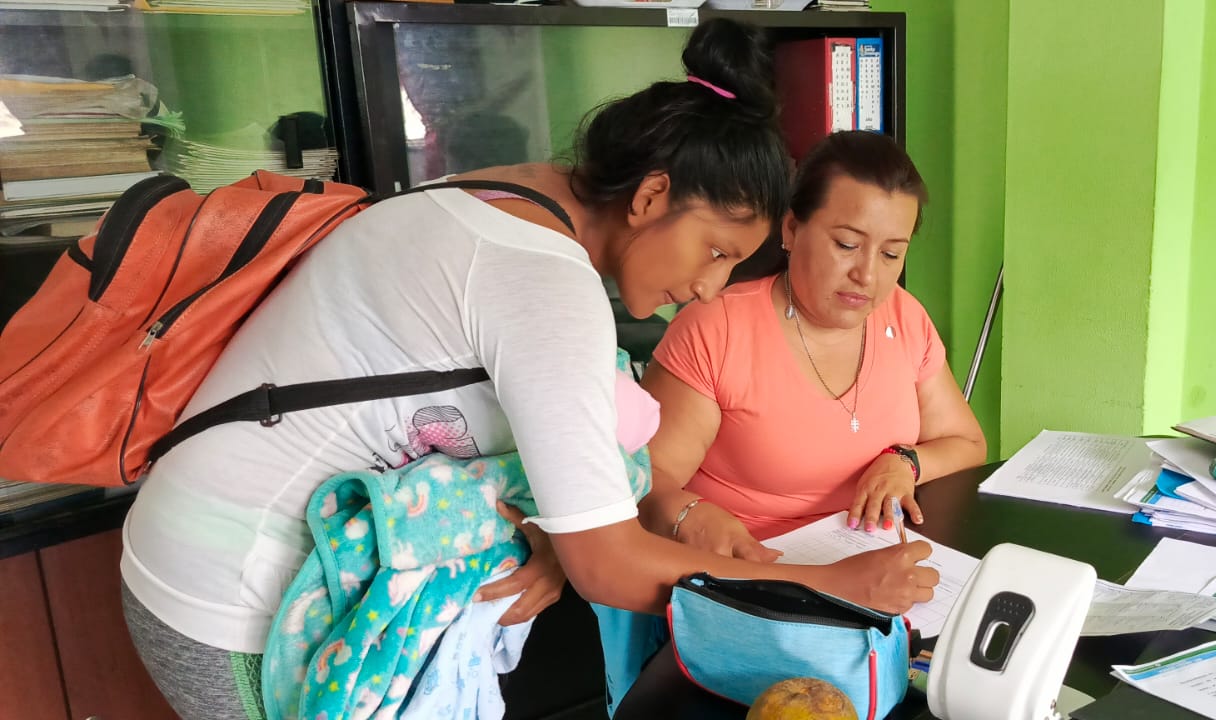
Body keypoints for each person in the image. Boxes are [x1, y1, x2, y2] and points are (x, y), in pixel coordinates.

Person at [118, 22, 937, 719]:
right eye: (715, 251)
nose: (707, 286)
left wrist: (552, 533)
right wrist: (830, 588)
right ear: (652, 196)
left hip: (206, 539)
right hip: (236, 595)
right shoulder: (544, 281)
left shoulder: (494, 193)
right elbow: (608, 566)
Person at [639, 130, 988, 560]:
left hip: (874, 562)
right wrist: (691, 516)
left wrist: (905, 461)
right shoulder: (717, 330)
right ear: (791, 228)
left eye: (891, 254)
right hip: (753, 569)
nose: (867, 275)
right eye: (847, 245)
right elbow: (645, 481)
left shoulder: (904, 317)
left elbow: (967, 443)